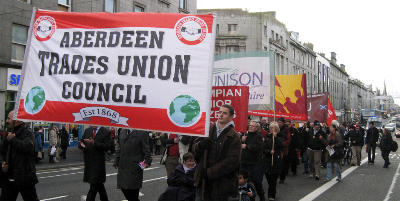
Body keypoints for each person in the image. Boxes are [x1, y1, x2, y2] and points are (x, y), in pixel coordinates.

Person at [193, 104, 241, 201]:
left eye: (225, 113)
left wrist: (209, 172)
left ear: (231, 117)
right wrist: (200, 146)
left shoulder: (234, 136)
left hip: (221, 182)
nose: (221, 115)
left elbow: (232, 161)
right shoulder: (208, 129)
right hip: (203, 180)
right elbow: (194, 148)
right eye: (219, 112)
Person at [0, 110, 39, 201]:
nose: (6, 121)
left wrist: (13, 140)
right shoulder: (8, 134)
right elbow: (1, 152)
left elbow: (28, 147)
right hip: (9, 177)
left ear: (17, 120)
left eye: (9, 118)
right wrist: (2, 163)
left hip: (25, 177)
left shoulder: (28, 134)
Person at [114, 129, 152, 201]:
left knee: (133, 194)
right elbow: (119, 147)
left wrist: (142, 165)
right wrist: (116, 160)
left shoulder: (142, 132)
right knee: (123, 188)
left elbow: (147, 152)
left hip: (134, 168)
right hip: (123, 166)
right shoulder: (122, 131)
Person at [79, 126, 114, 201]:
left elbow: (108, 146)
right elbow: (81, 142)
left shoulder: (106, 132)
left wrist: (94, 143)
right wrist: (81, 145)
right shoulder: (87, 130)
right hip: (89, 162)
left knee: (94, 186)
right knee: (99, 185)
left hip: (98, 163)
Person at [240, 120, 264, 201]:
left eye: (253, 126)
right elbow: (241, 146)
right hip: (244, 163)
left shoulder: (258, 137)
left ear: (257, 128)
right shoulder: (245, 135)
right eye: (250, 125)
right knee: (246, 184)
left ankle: (262, 197)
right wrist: (241, 140)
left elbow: (258, 148)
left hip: (254, 163)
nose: (250, 126)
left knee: (257, 183)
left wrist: (246, 146)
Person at [263, 122, 282, 201]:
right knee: (269, 179)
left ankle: (271, 195)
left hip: (276, 161)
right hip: (267, 161)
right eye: (270, 127)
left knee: (273, 181)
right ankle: (271, 191)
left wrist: (276, 137)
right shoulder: (267, 137)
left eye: (273, 128)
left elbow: (280, 145)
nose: (271, 129)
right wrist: (269, 151)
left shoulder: (279, 136)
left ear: (276, 129)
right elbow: (263, 148)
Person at [277, 117, 291, 184]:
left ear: (283, 123)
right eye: (278, 122)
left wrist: (282, 144)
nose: (279, 123)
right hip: (276, 149)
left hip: (283, 150)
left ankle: (282, 178)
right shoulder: (276, 129)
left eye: (280, 122)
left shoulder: (286, 129)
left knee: (283, 165)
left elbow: (288, 140)